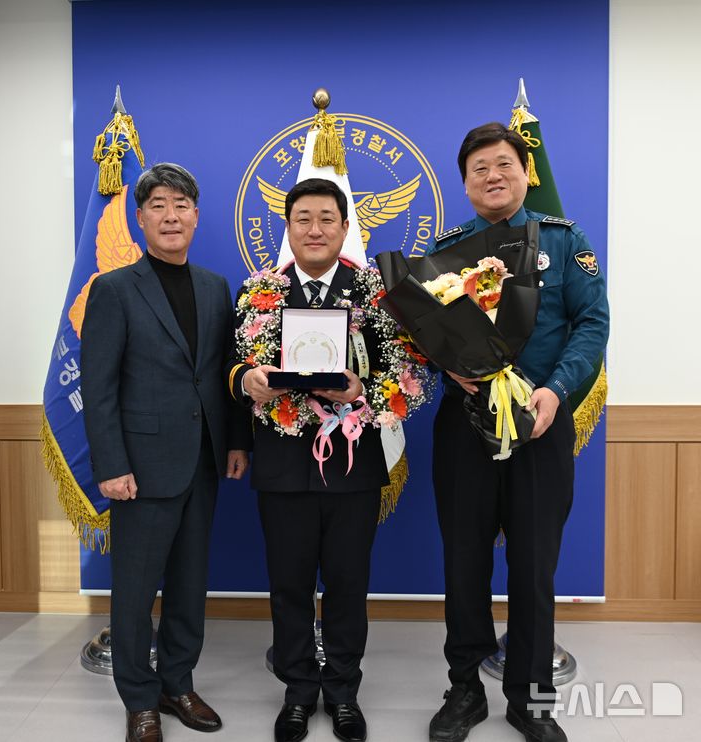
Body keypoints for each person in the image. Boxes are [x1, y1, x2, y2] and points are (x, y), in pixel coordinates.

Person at [426, 123, 609, 742]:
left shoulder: (563, 240)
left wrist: (557, 390)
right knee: (463, 561)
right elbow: (422, 332)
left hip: (540, 422)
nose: (491, 176)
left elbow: (592, 323)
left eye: (503, 164)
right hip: (464, 426)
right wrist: (441, 359)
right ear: (466, 182)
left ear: (526, 171)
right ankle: (464, 690)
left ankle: (530, 698)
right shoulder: (446, 253)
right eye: (478, 168)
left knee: (534, 566)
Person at [82, 163, 252, 742]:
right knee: (134, 589)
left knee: (188, 583)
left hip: (202, 460)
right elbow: (98, 387)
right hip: (140, 467)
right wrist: (110, 466)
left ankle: (177, 682)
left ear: (197, 217)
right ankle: (139, 699)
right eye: (158, 205)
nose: (171, 215)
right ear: (141, 218)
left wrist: (234, 440)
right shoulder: (113, 290)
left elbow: (219, 374)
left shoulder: (213, 286)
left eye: (181, 204)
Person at [229, 178, 389, 742]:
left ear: (346, 228)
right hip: (281, 466)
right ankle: (298, 691)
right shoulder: (258, 291)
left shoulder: (373, 290)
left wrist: (362, 390)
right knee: (289, 586)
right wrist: (248, 381)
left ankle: (343, 691)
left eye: (327, 218)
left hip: (352, 464)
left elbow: (405, 375)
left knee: (348, 585)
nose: (314, 229)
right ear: (288, 227)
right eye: (303, 218)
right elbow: (233, 367)